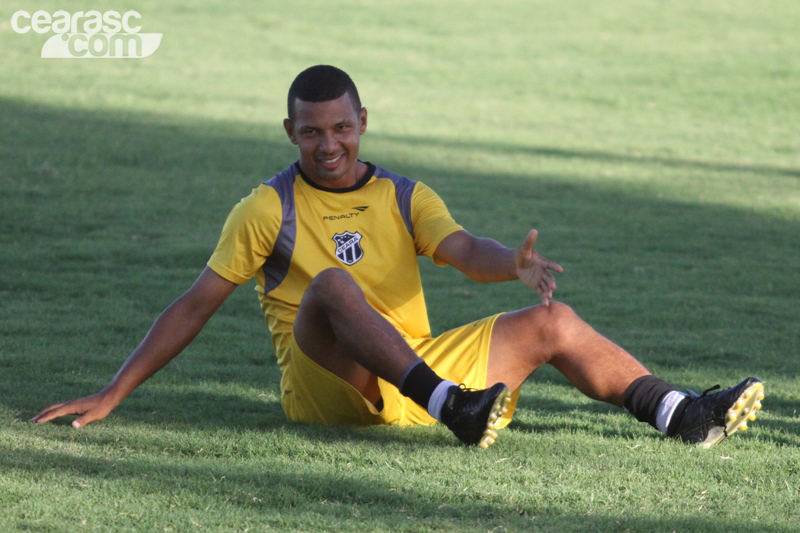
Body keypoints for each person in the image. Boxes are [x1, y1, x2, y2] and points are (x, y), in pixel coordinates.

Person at [33, 65, 764, 449]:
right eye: (313, 132)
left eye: (342, 128)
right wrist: (113, 392)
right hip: (332, 390)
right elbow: (194, 304)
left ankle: (681, 413)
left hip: (421, 376)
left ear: (362, 123)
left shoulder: (403, 194)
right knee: (329, 285)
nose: (329, 144)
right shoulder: (266, 207)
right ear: (289, 131)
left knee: (555, 321)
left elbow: (461, 248)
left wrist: (511, 261)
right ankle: (451, 405)